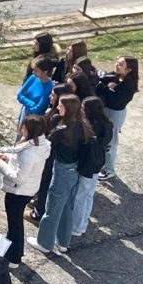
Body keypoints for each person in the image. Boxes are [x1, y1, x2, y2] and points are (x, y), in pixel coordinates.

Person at [27, 95, 94, 254]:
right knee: (67, 207)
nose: (57, 107)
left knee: (53, 207)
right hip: (75, 171)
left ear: (68, 109)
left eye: (61, 106)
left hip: (62, 170)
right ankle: (63, 242)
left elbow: (46, 146)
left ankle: (44, 243)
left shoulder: (62, 129)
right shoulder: (82, 125)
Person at [0, 116, 50, 267]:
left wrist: (1, 165)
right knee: (15, 223)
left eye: (23, 127)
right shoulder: (40, 145)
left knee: (15, 224)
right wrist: (8, 157)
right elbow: (20, 158)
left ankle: (13, 257)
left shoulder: (29, 153)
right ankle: (13, 251)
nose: (20, 129)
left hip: (18, 192)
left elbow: (18, 178)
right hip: (29, 190)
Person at [27, 84, 71, 224]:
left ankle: (38, 213)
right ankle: (38, 203)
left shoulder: (58, 120)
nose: (50, 96)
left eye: (53, 95)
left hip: (49, 157)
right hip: (49, 156)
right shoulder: (55, 114)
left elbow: (48, 139)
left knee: (45, 182)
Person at [73, 97, 113, 236]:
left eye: (83, 108)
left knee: (80, 196)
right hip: (97, 162)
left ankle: (77, 226)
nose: (81, 111)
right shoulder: (106, 124)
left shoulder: (92, 127)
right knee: (88, 194)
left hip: (88, 164)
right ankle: (82, 222)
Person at [97, 56, 139, 181]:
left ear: (129, 70)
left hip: (115, 113)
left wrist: (105, 88)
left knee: (111, 141)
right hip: (107, 110)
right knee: (103, 138)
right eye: (117, 62)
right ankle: (102, 164)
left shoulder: (128, 85)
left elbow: (115, 101)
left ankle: (109, 169)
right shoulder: (116, 76)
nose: (116, 65)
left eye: (121, 64)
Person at [16, 58, 57, 128]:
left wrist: (25, 100)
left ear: (45, 72)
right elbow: (19, 95)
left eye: (36, 70)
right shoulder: (33, 78)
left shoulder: (49, 87)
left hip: (34, 120)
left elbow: (39, 109)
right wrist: (32, 104)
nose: (33, 72)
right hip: (24, 112)